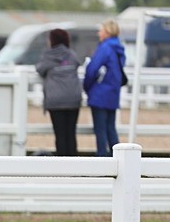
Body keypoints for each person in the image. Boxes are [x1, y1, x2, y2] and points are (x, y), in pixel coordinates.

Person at [36, 28, 83, 156]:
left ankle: (63, 166)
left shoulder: (48, 55)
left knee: (60, 135)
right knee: (71, 134)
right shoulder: (71, 54)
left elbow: (40, 69)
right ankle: (74, 166)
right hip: (73, 98)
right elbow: (77, 64)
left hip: (56, 100)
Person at [83, 19, 126, 157]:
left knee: (100, 131)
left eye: (101, 30)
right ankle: (119, 160)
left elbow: (92, 69)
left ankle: (103, 161)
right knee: (111, 129)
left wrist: (87, 87)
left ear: (107, 32)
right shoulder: (118, 49)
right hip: (113, 94)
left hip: (100, 94)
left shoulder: (105, 48)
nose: (98, 33)